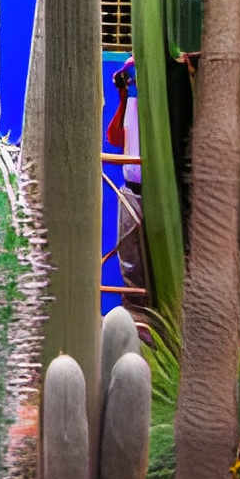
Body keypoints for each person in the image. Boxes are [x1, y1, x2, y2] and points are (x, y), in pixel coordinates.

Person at [106, 57, 146, 317]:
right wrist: (123, 96)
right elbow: (115, 137)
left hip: (155, 192)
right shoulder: (131, 104)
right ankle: (134, 314)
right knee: (130, 258)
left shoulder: (158, 107)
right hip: (132, 188)